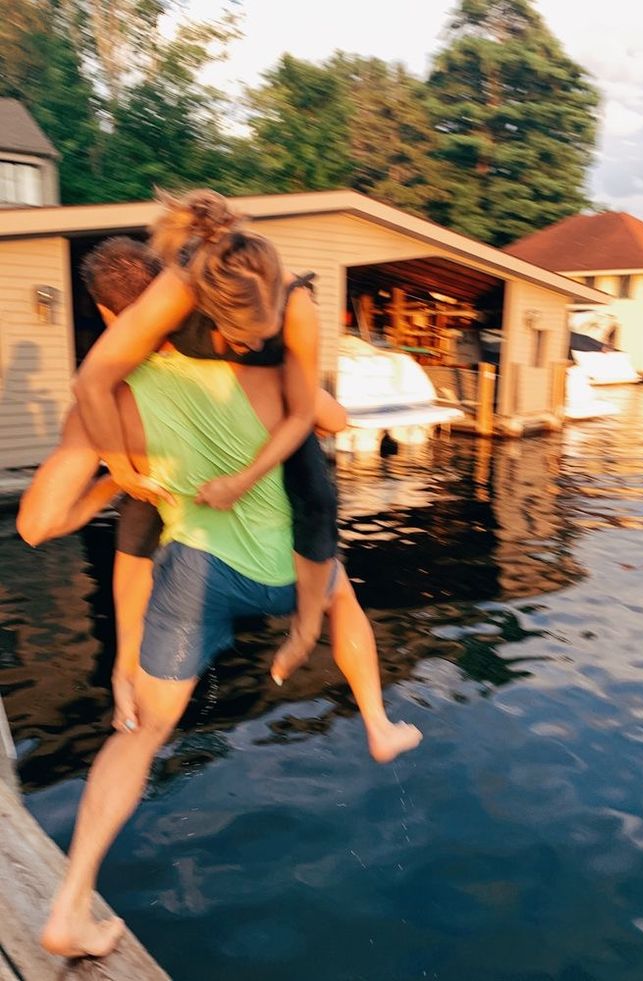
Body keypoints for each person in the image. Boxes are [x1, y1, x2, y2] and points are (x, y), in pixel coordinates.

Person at [24, 238, 422, 960]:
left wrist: (123, 478)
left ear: (116, 315)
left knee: (139, 734)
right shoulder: (256, 363)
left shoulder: (108, 403)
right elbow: (332, 421)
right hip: (284, 566)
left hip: (195, 573)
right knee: (340, 598)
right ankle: (378, 723)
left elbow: (36, 525)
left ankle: (71, 901)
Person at [73, 190, 340, 690]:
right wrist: (122, 471)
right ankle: (126, 664)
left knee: (318, 496)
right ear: (205, 309)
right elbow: (91, 382)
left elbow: (304, 411)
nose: (255, 345)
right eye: (242, 338)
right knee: (139, 516)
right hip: (199, 406)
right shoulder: (177, 288)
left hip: (271, 404)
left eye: (265, 335)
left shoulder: (298, 305)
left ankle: (305, 627)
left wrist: (244, 480)